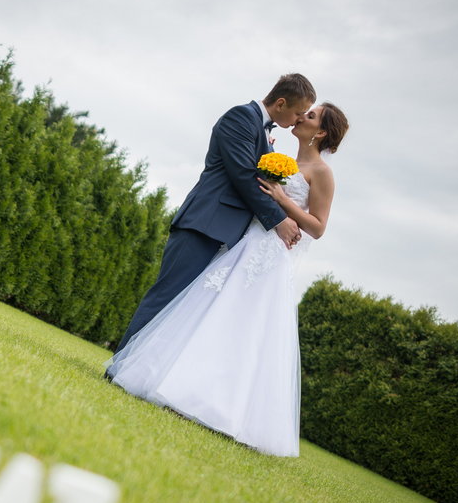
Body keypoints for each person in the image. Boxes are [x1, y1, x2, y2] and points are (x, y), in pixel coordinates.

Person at [105, 102, 350, 456]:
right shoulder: (277, 155)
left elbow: (318, 227)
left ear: (322, 132)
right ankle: (179, 388)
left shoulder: (322, 172)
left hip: (272, 256)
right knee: (210, 314)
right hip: (245, 242)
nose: (302, 117)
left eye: (310, 116)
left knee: (246, 328)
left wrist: (283, 199)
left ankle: (225, 410)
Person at [111, 74, 316, 357]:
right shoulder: (240, 117)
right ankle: (121, 364)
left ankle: (144, 364)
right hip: (204, 222)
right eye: (297, 112)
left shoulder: (260, 130)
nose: (297, 120)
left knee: (184, 307)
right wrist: (279, 221)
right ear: (281, 103)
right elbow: (243, 176)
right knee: (167, 295)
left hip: (226, 231)